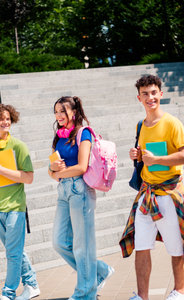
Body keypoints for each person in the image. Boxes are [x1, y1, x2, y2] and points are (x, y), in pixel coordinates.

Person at [119, 75, 184, 300]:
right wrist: (137, 156)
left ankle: (180, 292)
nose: (150, 97)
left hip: (170, 194)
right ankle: (142, 296)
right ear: (139, 98)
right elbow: (145, 158)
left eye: (154, 93)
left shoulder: (172, 123)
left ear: (160, 94)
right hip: (147, 194)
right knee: (141, 247)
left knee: (175, 247)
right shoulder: (140, 125)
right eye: (145, 94)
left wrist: (158, 160)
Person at [48, 96, 114, 300]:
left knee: (82, 245)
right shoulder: (58, 136)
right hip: (63, 192)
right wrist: (53, 170)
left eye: (63, 111)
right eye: (56, 111)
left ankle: (85, 294)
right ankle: (100, 271)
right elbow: (51, 171)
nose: (59, 115)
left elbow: (82, 167)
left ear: (73, 112)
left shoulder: (83, 134)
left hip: (80, 191)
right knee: (59, 242)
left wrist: (58, 172)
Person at [0, 103, 40, 300]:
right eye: (1, 119)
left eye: (8, 118)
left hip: (15, 207)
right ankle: (31, 283)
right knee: (15, 250)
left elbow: (29, 178)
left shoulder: (19, 146)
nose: (5, 122)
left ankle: (9, 292)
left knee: (12, 253)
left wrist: (2, 171)